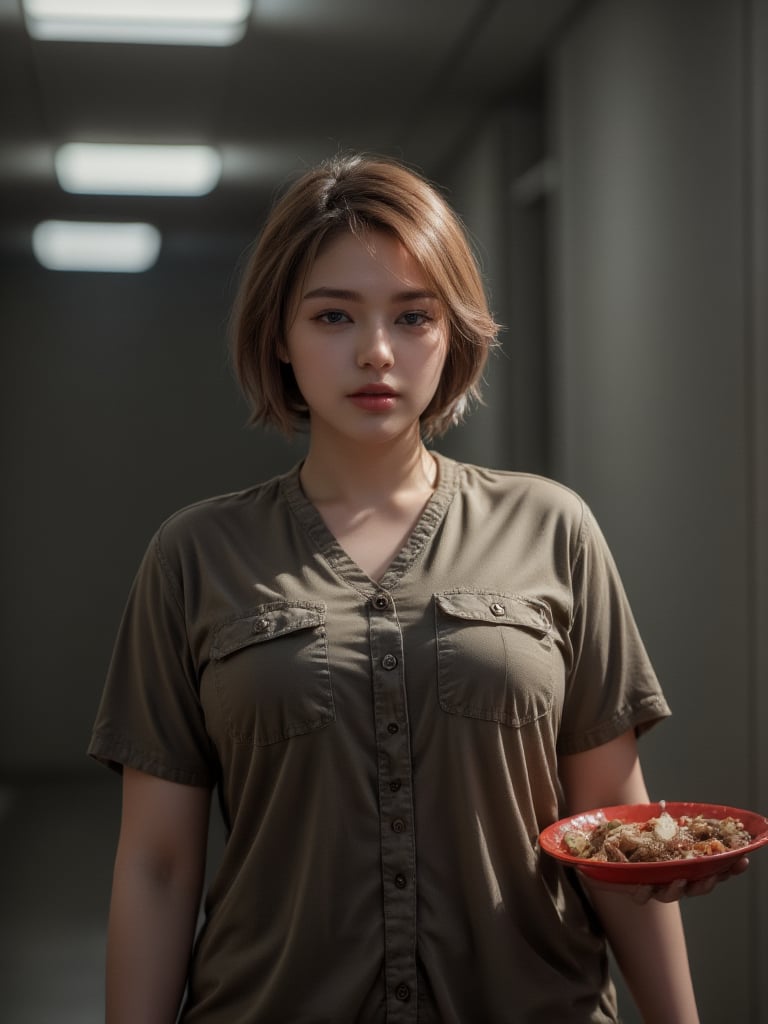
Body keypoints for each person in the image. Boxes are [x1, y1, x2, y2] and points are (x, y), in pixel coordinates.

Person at [89, 153, 746, 1024]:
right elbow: (159, 865)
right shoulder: (195, 555)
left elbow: (609, 824)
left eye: (413, 316)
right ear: (279, 336)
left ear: (455, 334)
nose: (375, 352)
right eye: (333, 315)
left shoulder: (552, 528)